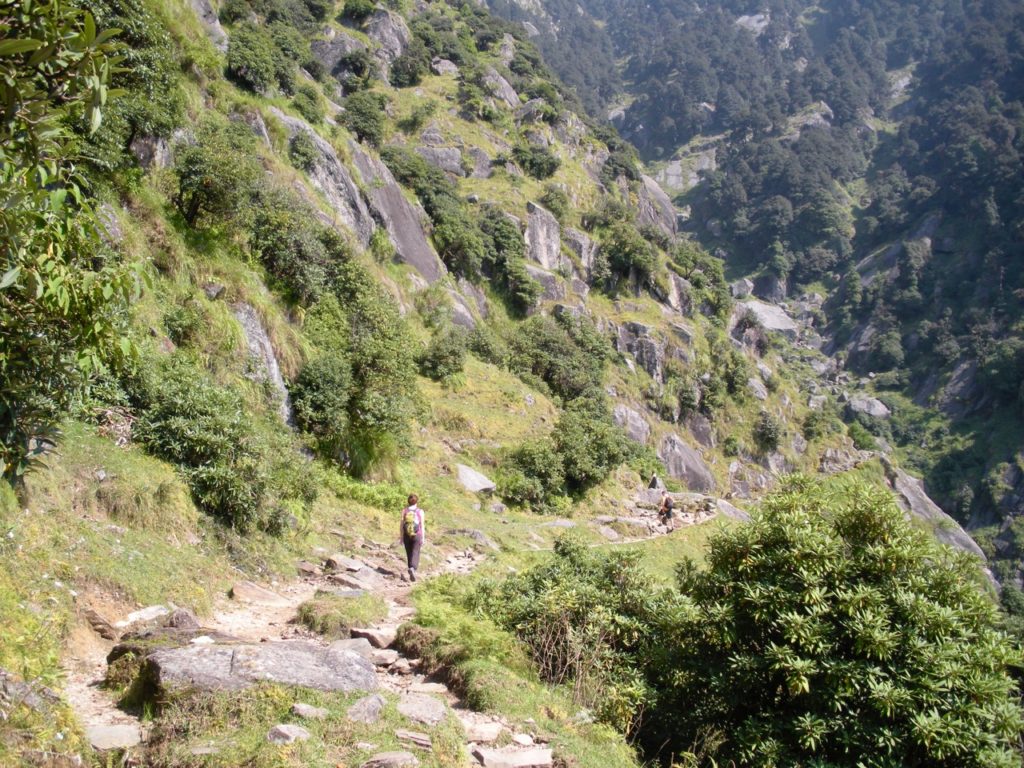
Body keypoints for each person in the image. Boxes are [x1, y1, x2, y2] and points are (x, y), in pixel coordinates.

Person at [400, 494, 425, 582]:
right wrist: (423, 537)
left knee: (409, 552)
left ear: (408, 501)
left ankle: (410, 567)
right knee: (415, 552)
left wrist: (401, 537)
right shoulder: (420, 511)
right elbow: (422, 525)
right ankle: (413, 569)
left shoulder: (404, 511)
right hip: (416, 534)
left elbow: (401, 525)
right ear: (416, 501)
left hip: (407, 535)